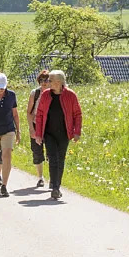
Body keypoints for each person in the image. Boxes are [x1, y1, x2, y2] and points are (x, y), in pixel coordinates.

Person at [34, 70, 83, 200]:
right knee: (52, 158)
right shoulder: (45, 95)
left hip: (64, 133)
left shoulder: (70, 95)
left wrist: (77, 131)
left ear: (58, 82)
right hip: (48, 133)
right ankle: (54, 187)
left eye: (50, 80)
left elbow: (77, 114)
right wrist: (38, 134)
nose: (47, 82)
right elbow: (39, 115)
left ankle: (56, 186)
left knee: (60, 159)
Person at [26, 70, 51, 188]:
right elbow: (29, 112)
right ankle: (40, 177)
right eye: (42, 80)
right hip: (37, 125)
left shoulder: (54, 93)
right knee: (37, 152)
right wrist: (31, 128)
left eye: (46, 80)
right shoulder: (34, 93)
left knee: (52, 153)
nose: (44, 83)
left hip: (50, 126)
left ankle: (52, 178)